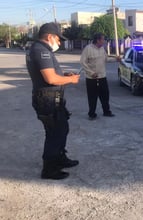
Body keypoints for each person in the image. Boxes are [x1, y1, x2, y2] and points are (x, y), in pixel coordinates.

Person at [26, 22, 80, 180]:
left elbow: (51, 74)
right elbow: (50, 78)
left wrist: (65, 76)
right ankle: (49, 169)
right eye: (58, 39)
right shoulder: (41, 51)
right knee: (54, 134)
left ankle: (60, 158)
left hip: (51, 99)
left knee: (61, 129)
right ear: (49, 36)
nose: (59, 42)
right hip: (47, 100)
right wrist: (71, 80)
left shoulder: (38, 49)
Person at [80, 33, 115, 120]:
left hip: (102, 77)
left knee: (105, 95)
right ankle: (92, 114)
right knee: (92, 97)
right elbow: (83, 62)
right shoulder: (88, 49)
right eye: (103, 39)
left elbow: (106, 59)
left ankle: (106, 111)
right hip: (92, 78)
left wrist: (115, 59)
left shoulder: (102, 49)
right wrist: (91, 73)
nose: (104, 41)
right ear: (98, 40)